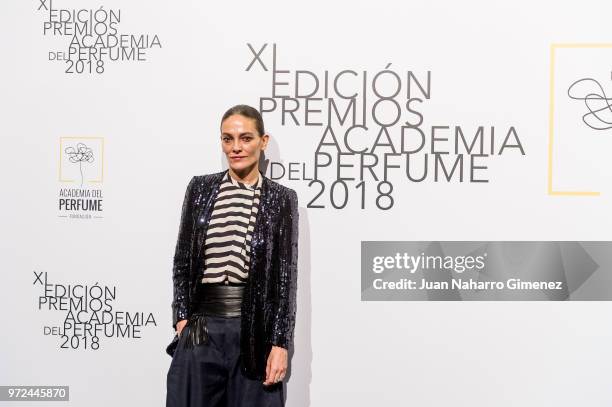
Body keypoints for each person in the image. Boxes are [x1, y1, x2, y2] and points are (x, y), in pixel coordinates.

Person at [165, 104, 299, 407]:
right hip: (201, 332)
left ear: (263, 142)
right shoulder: (200, 188)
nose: (236, 147)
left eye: (245, 138)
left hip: (253, 333)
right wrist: (182, 320)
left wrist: (280, 343)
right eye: (227, 139)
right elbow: (183, 261)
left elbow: (284, 278)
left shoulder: (281, 199)